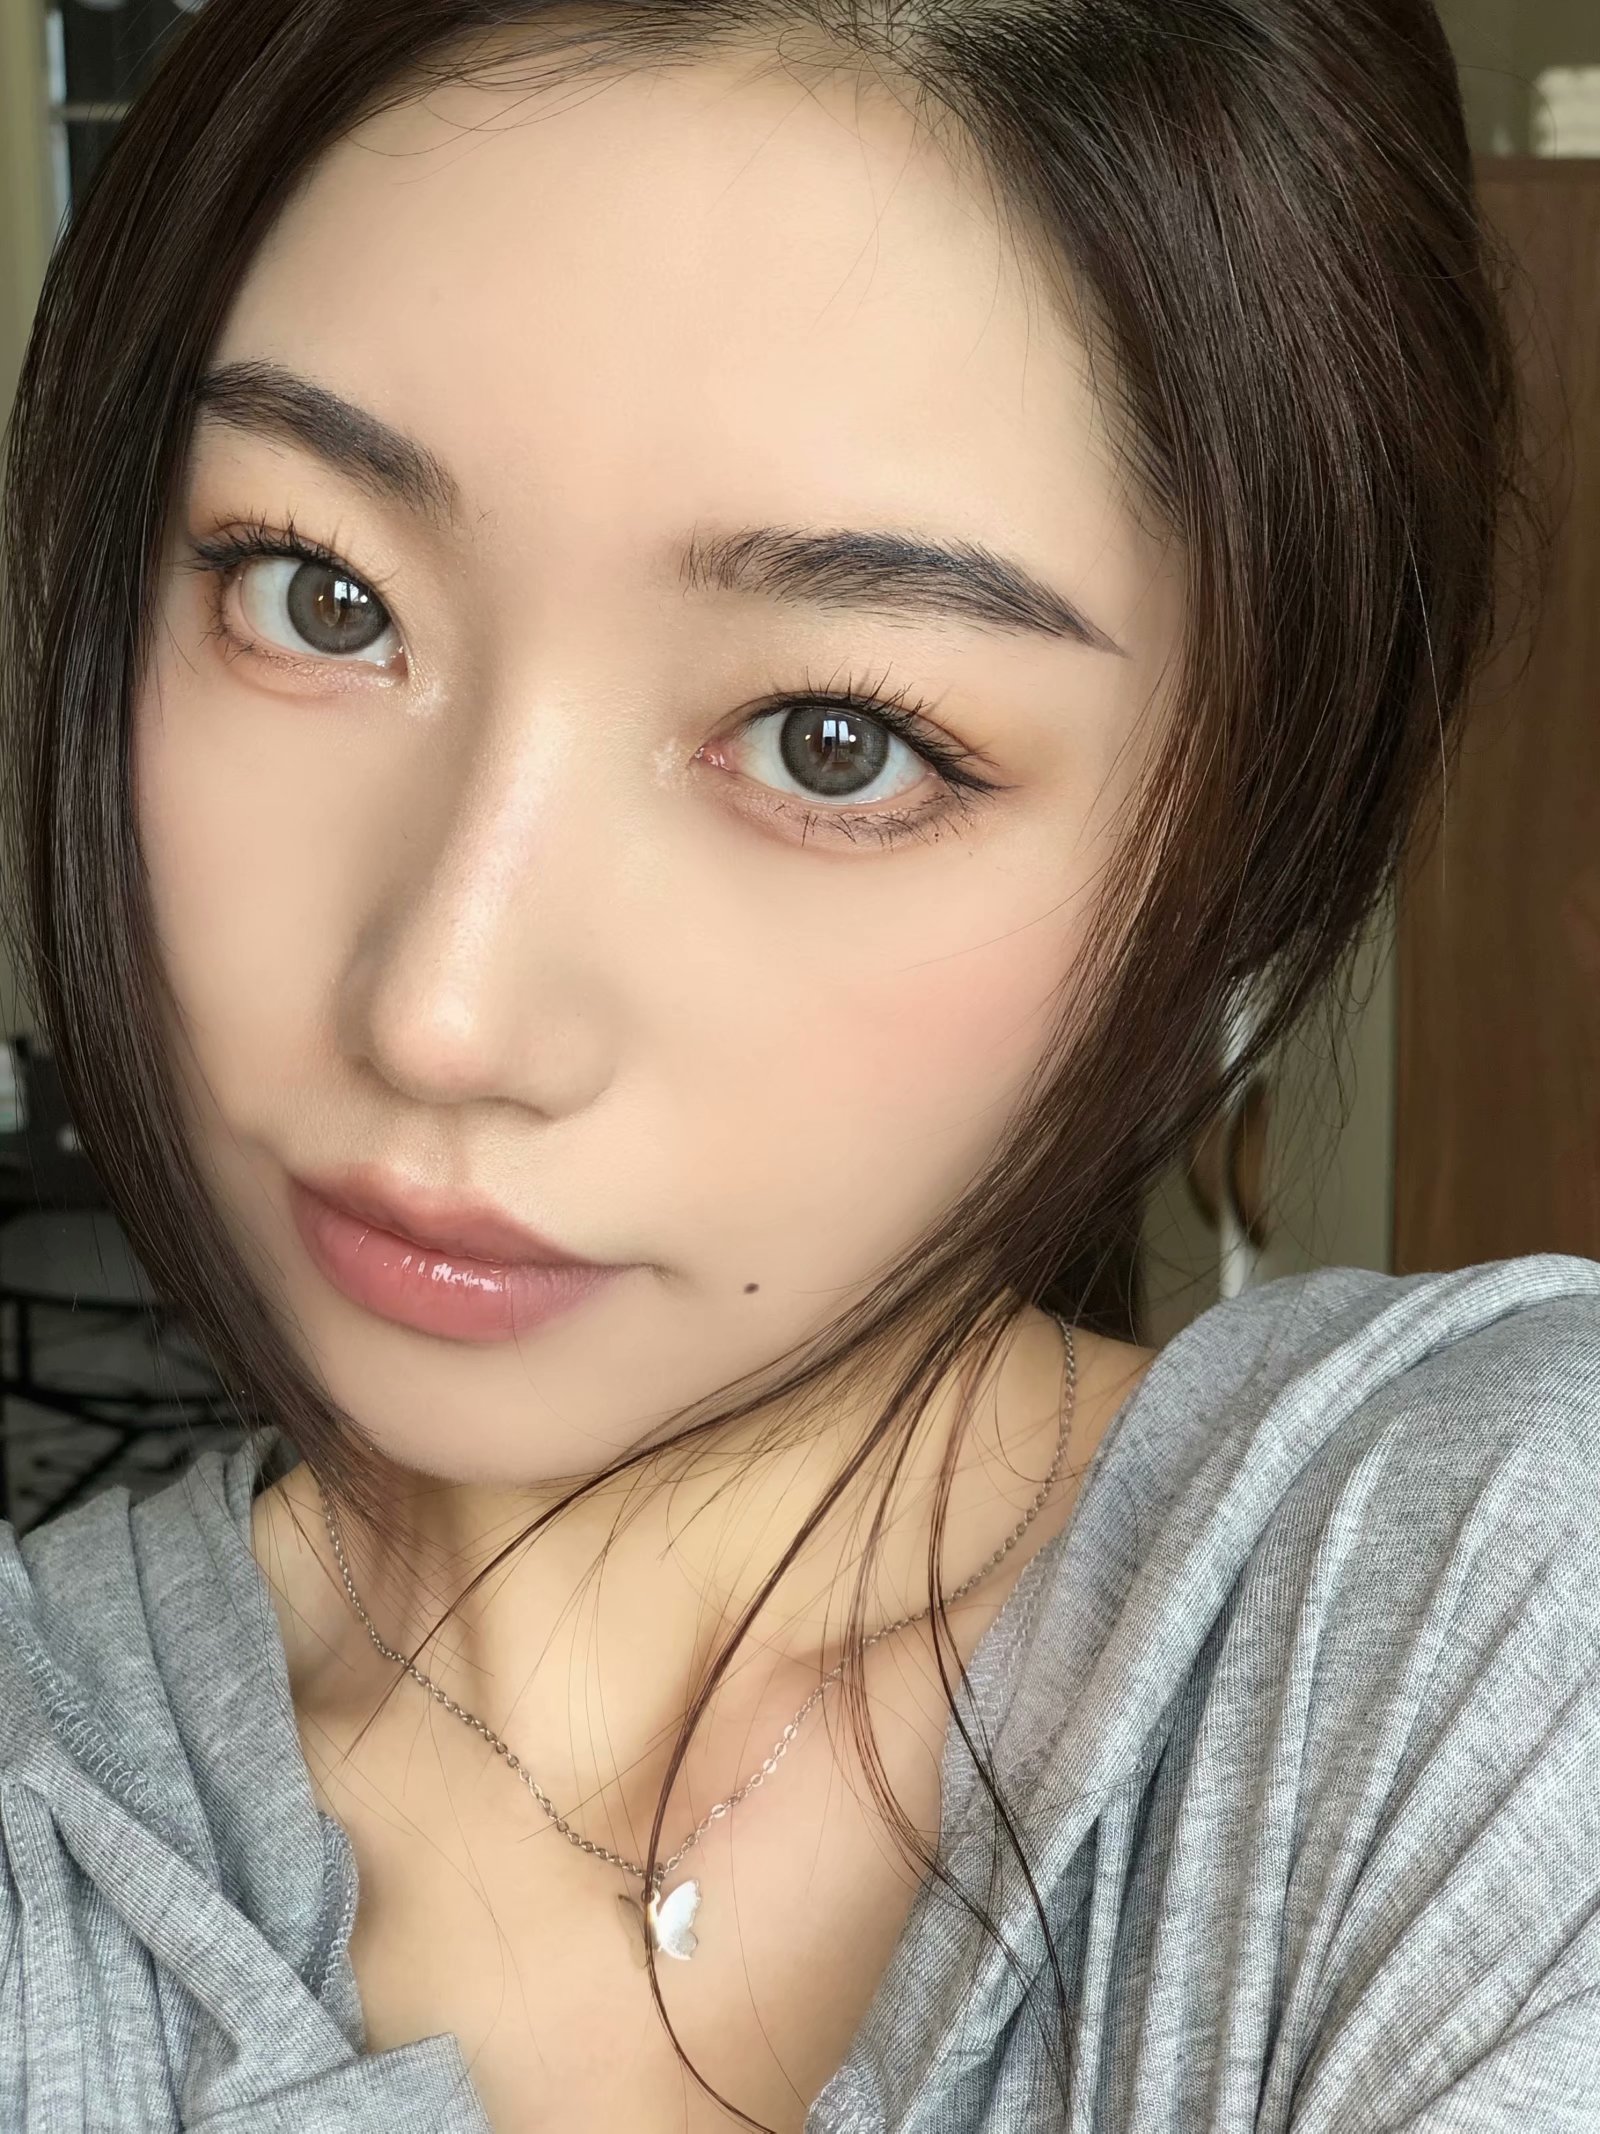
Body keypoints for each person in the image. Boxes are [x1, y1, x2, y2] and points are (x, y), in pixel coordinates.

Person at [1, 2, 1597, 2130]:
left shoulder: (1491, 1613)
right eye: (315, 595)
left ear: (1243, 847)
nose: (440, 1013)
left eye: (833, 743)